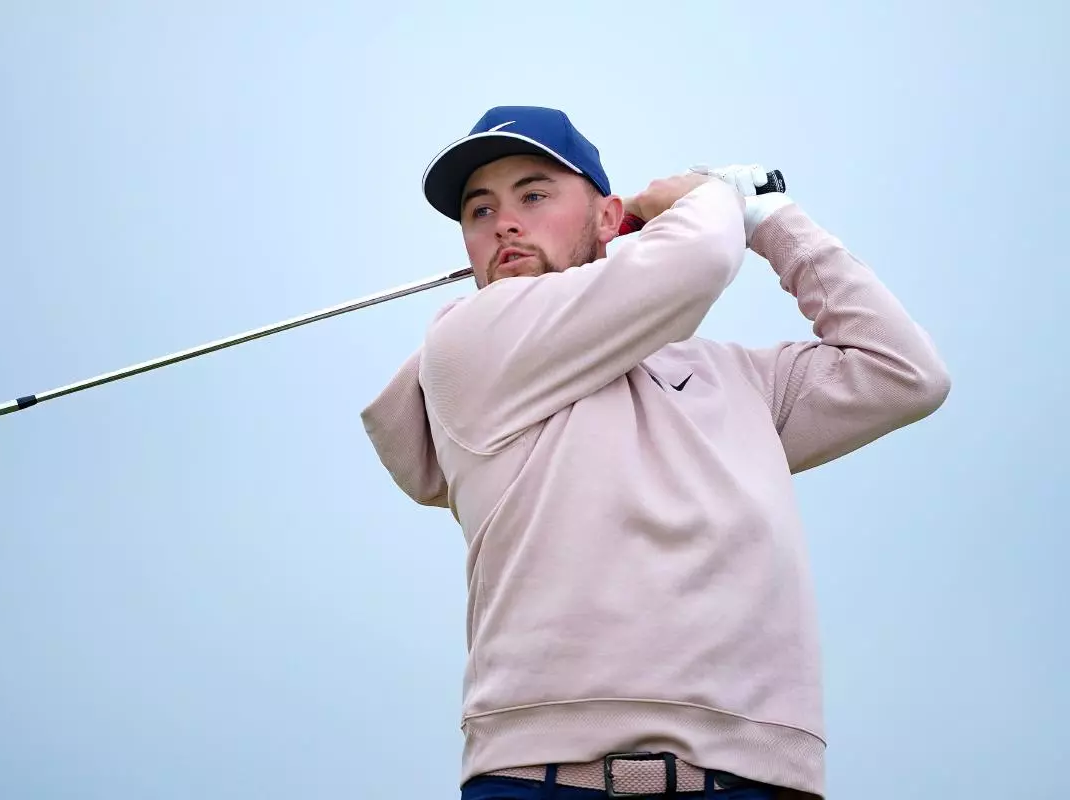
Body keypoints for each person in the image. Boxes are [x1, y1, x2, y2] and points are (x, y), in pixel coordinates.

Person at [359, 106, 950, 799]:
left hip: (751, 779)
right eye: (478, 210)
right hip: (540, 781)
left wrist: (775, 221)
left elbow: (904, 371)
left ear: (609, 221)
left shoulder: (736, 381)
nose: (504, 223)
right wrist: (715, 198)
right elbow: (695, 257)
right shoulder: (470, 341)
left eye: (534, 194)